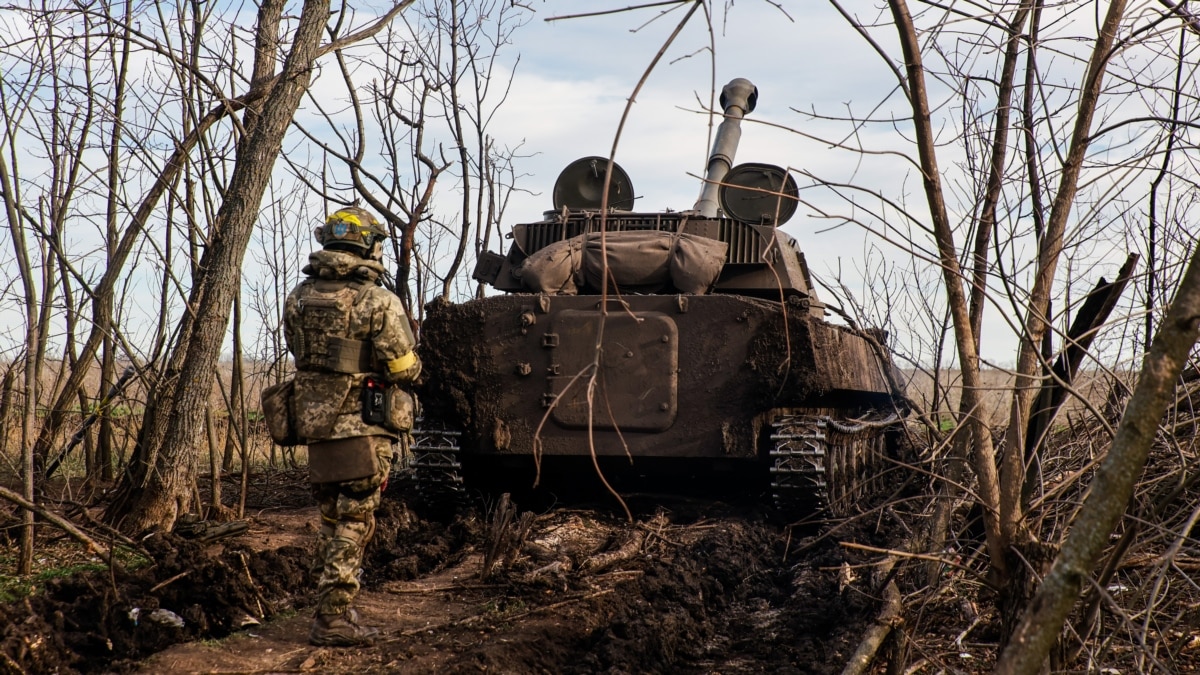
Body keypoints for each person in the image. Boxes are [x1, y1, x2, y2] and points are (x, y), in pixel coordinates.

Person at [283, 205, 421, 647]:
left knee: (329, 519)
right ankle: (334, 618)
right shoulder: (378, 300)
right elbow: (402, 367)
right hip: (363, 425)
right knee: (355, 521)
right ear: (368, 246)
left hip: (315, 424)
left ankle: (330, 607)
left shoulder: (300, 296)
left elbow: (300, 351)